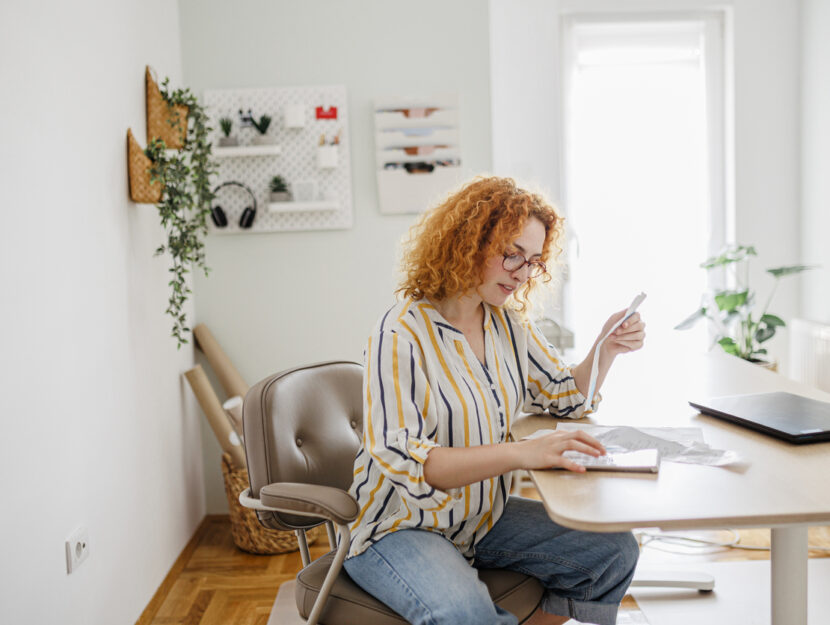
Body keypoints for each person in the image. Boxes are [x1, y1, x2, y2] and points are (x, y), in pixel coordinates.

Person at [344, 176, 646, 625]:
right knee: (468, 617)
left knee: (612, 550)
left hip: (479, 519)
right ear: (468, 242)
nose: (523, 274)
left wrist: (605, 348)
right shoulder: (400, 333)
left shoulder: (506, 324)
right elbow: (411, 463)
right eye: (513, 255)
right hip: (401, 526)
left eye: (534, 262)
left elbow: (564, 396)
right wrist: (522, 453)